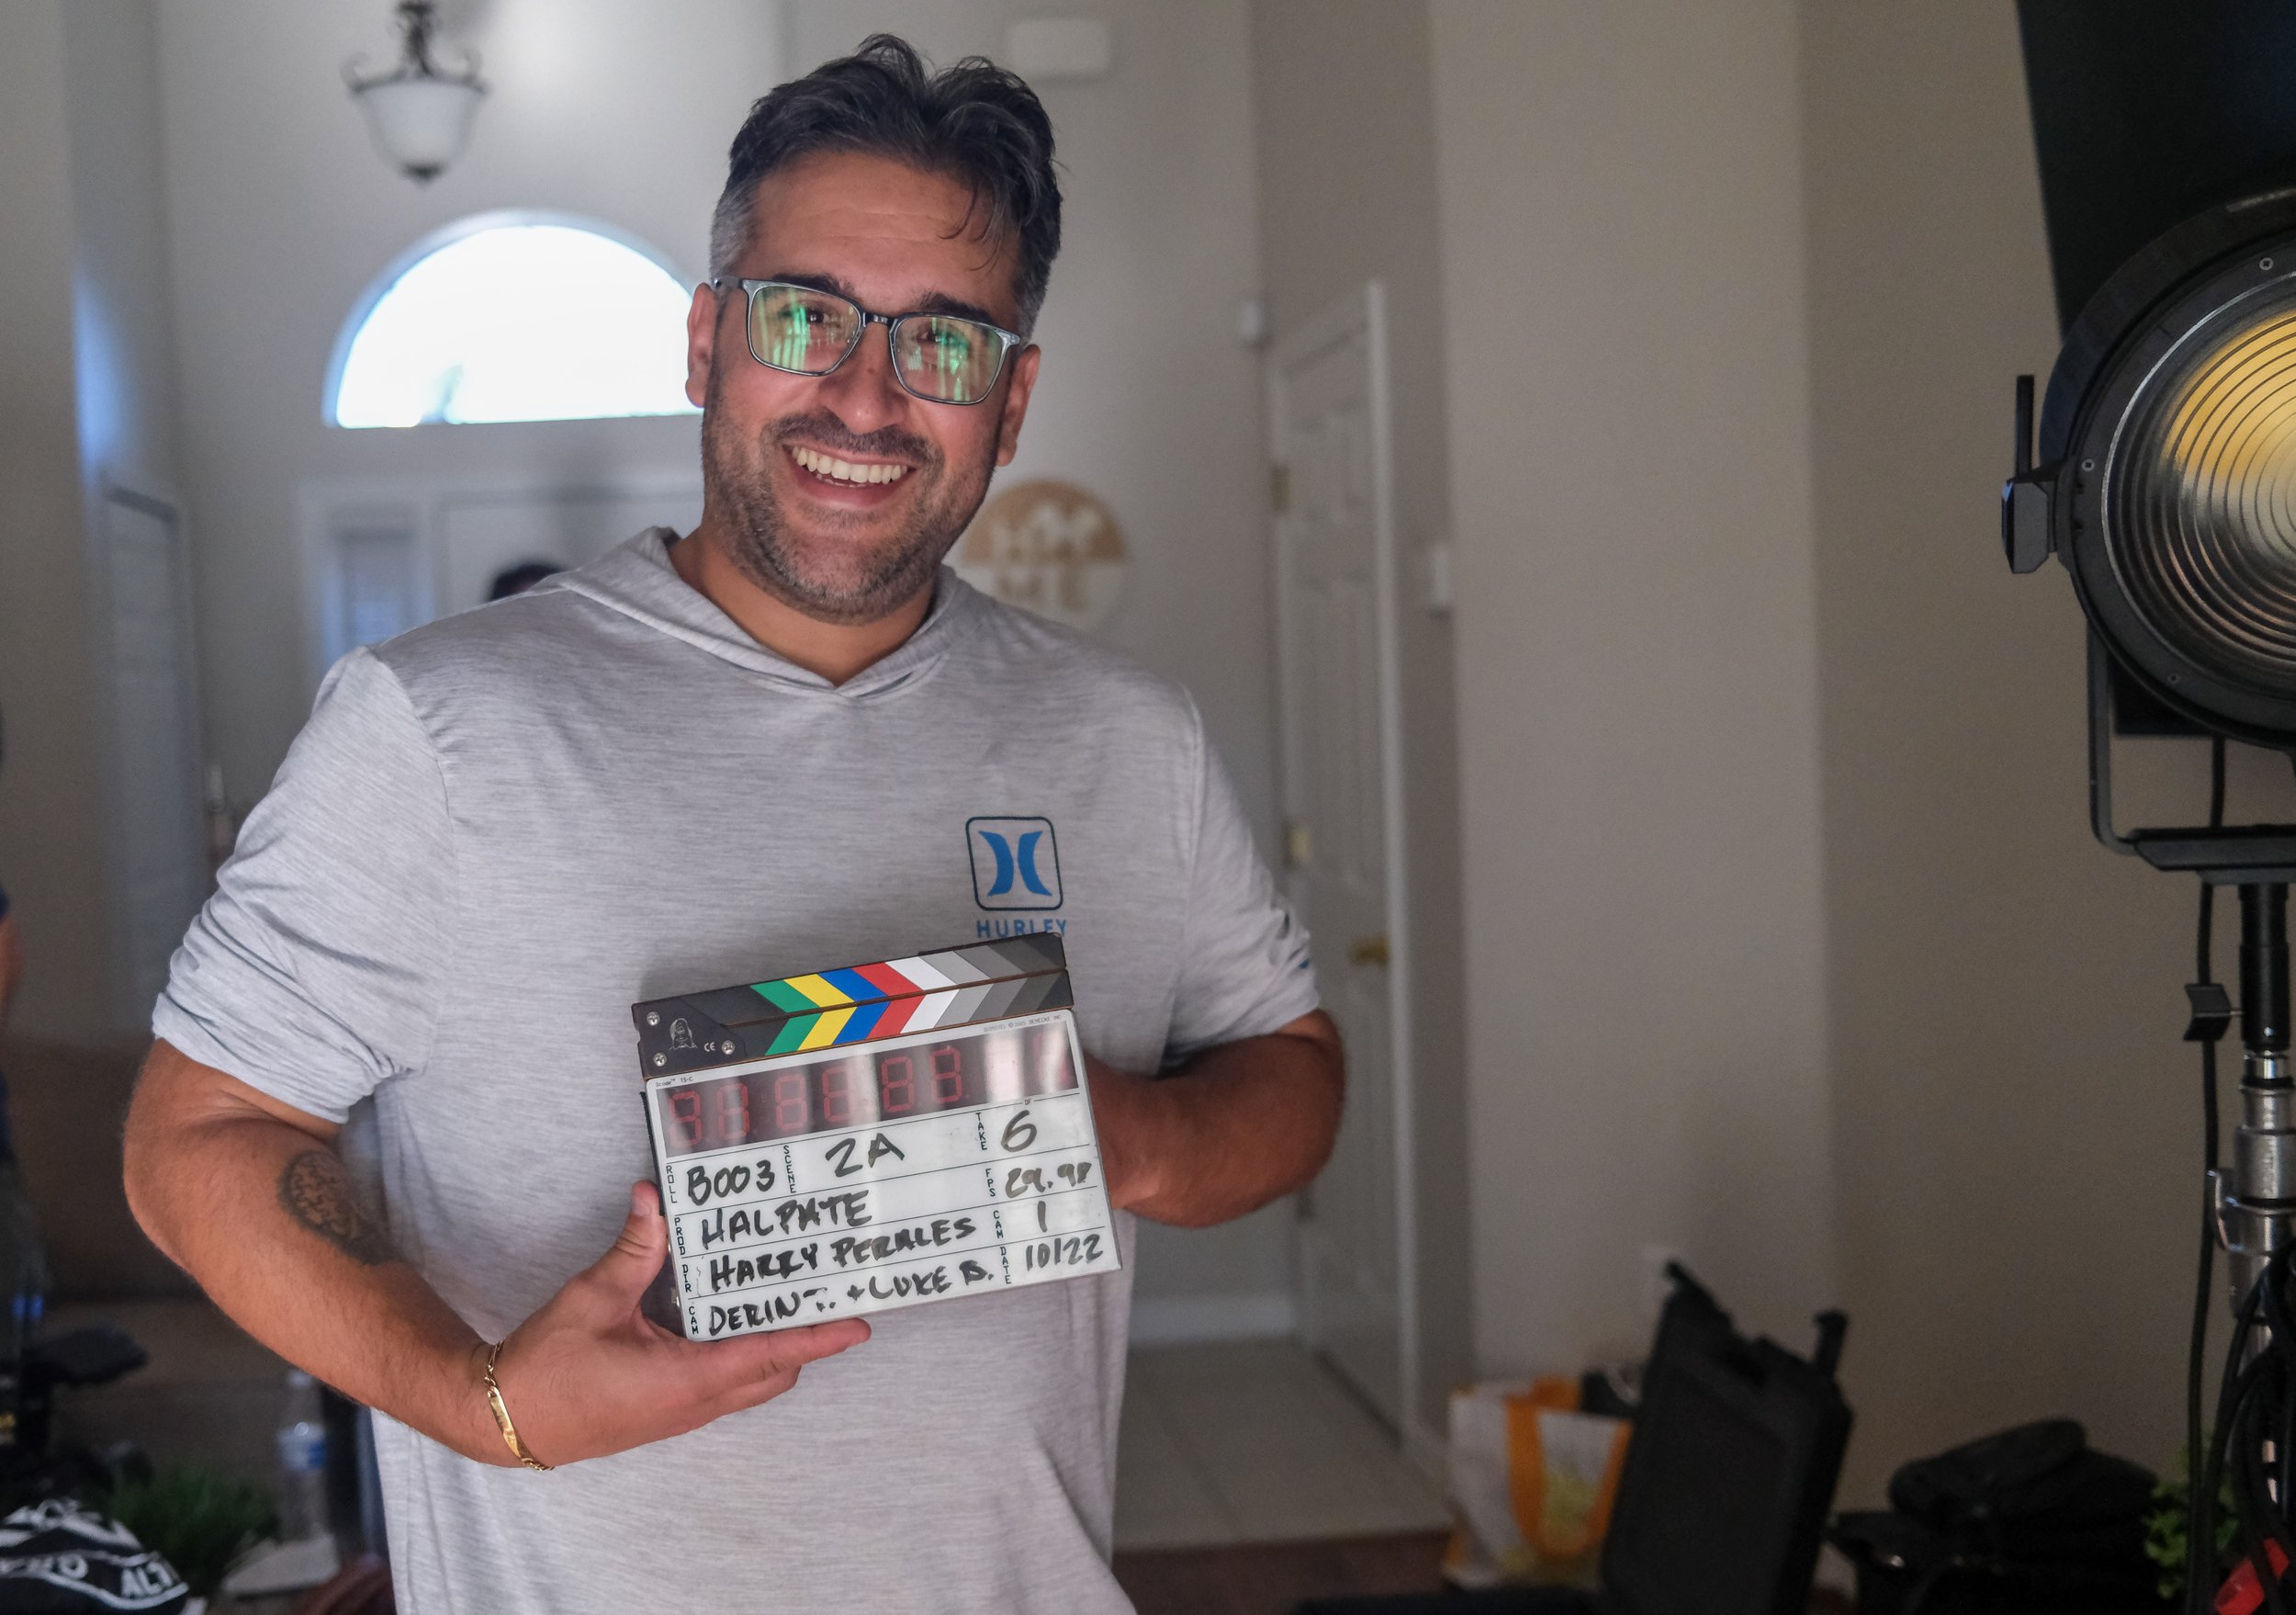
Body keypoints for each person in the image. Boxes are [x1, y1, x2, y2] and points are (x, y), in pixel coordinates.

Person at [122, 36, 1342, 1615]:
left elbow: (1293, 1073)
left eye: (944, 343)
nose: (864, 392)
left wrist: (1143, 1130)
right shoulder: (433, 727)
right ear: (707, 340)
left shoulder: (1128, 737)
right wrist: (485, 1396)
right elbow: (193, 1140)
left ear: (1013, 397)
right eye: (802, 315)